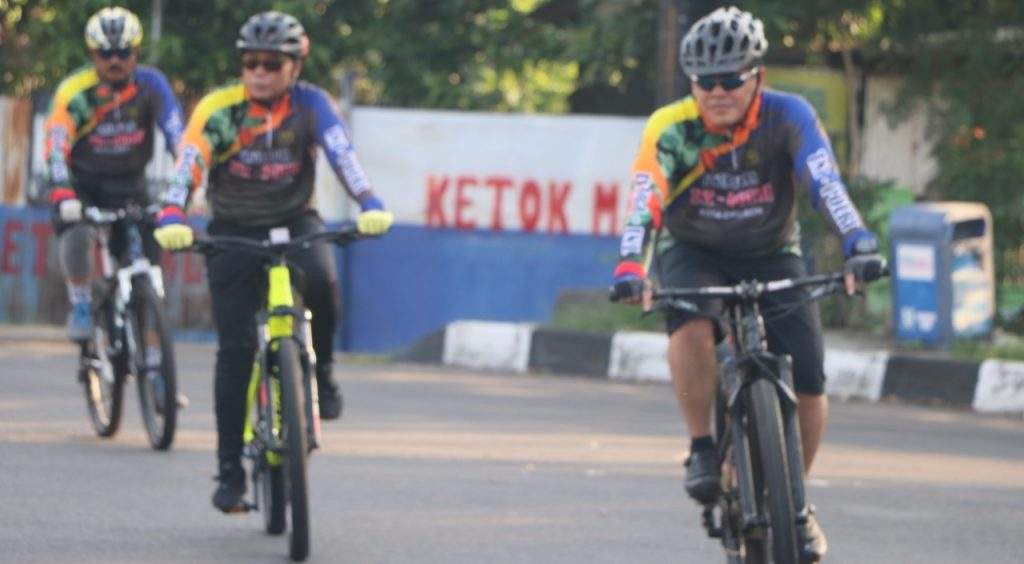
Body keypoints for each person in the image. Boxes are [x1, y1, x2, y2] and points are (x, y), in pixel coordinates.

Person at [611, 7, 884, 562]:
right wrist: (629, 265)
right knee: (689, 327)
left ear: (757, 75)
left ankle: (796, 504)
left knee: (808, 380)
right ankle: (703, 448)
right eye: (704, 81)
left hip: (773, 252)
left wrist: (858, 242)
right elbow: (646, 196)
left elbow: (823, 182)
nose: (717, 91)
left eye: (731, 79)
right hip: (694, 252)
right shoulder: (671, 126)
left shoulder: (788, 117)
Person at [151, 11, 393, 513]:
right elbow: (189, 163)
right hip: (232, 232)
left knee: (324, 281)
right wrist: (173, 212)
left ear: (294, 67)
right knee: (235, 351)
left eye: (271, 64)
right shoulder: (219, 109)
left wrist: (369, 201)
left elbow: (341, 153)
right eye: (250, 63)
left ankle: (322, 374)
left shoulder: (311, 105)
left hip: (295, 219)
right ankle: (229, 472)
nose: (259, 72)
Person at [45, 6, 184, 341]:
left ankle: (148, 322)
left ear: (136, 51)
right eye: (105, 53)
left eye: (123, 52)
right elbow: (55, 146)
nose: (115, 60)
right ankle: (80, 303)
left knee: (151, 243)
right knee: (77, 235)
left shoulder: (151, 85)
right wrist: (63, 192)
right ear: (93, 54)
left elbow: (179, 137)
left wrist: (184, 183)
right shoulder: (74, 92)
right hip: (83, 187)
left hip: (132, 184)